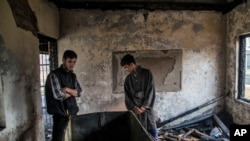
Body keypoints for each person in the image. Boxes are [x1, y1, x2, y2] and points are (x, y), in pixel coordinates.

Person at [45, 50, 82, 141]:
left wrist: (66, 89)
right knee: (59, 138)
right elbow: (59, 95)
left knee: (72, 137)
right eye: (70, 61)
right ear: (63, 60)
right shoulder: (54, 75)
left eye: (74, 62)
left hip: (72, 111)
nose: (72, 64)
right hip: (60, 113)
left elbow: (80, 92)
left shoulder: (73, 76)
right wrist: (72, 93)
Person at [120, 54, 158, 141]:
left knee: (152, 130)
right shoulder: (128, 80)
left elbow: (151, 91)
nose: (126, 70)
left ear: (132, 64)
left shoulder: (147, 73)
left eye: (126, 67)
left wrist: (144, 107)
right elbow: (127, 96)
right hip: (136, 111)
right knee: (137, 132)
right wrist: (134, 108)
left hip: (147, 109)